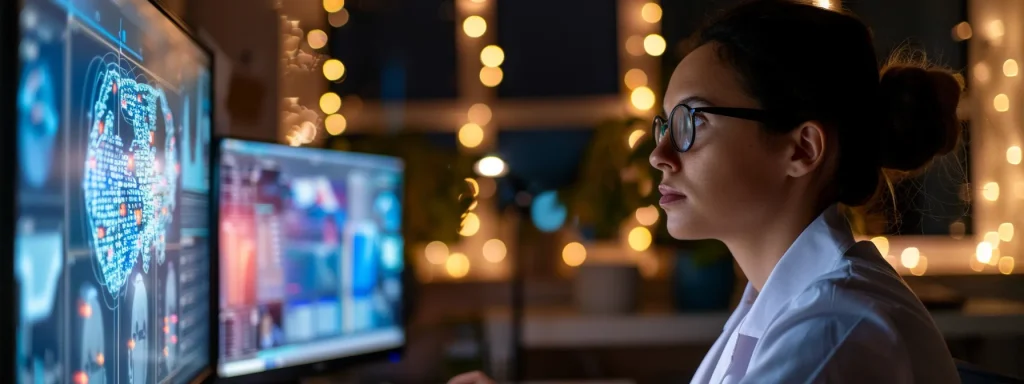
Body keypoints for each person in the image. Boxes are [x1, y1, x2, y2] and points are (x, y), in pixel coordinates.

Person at [449, 0, 963, 383]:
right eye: (663, 124)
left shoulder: (832, 329)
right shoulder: (780, 302)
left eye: (692, 120)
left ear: (802, 149)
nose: (660, 154)